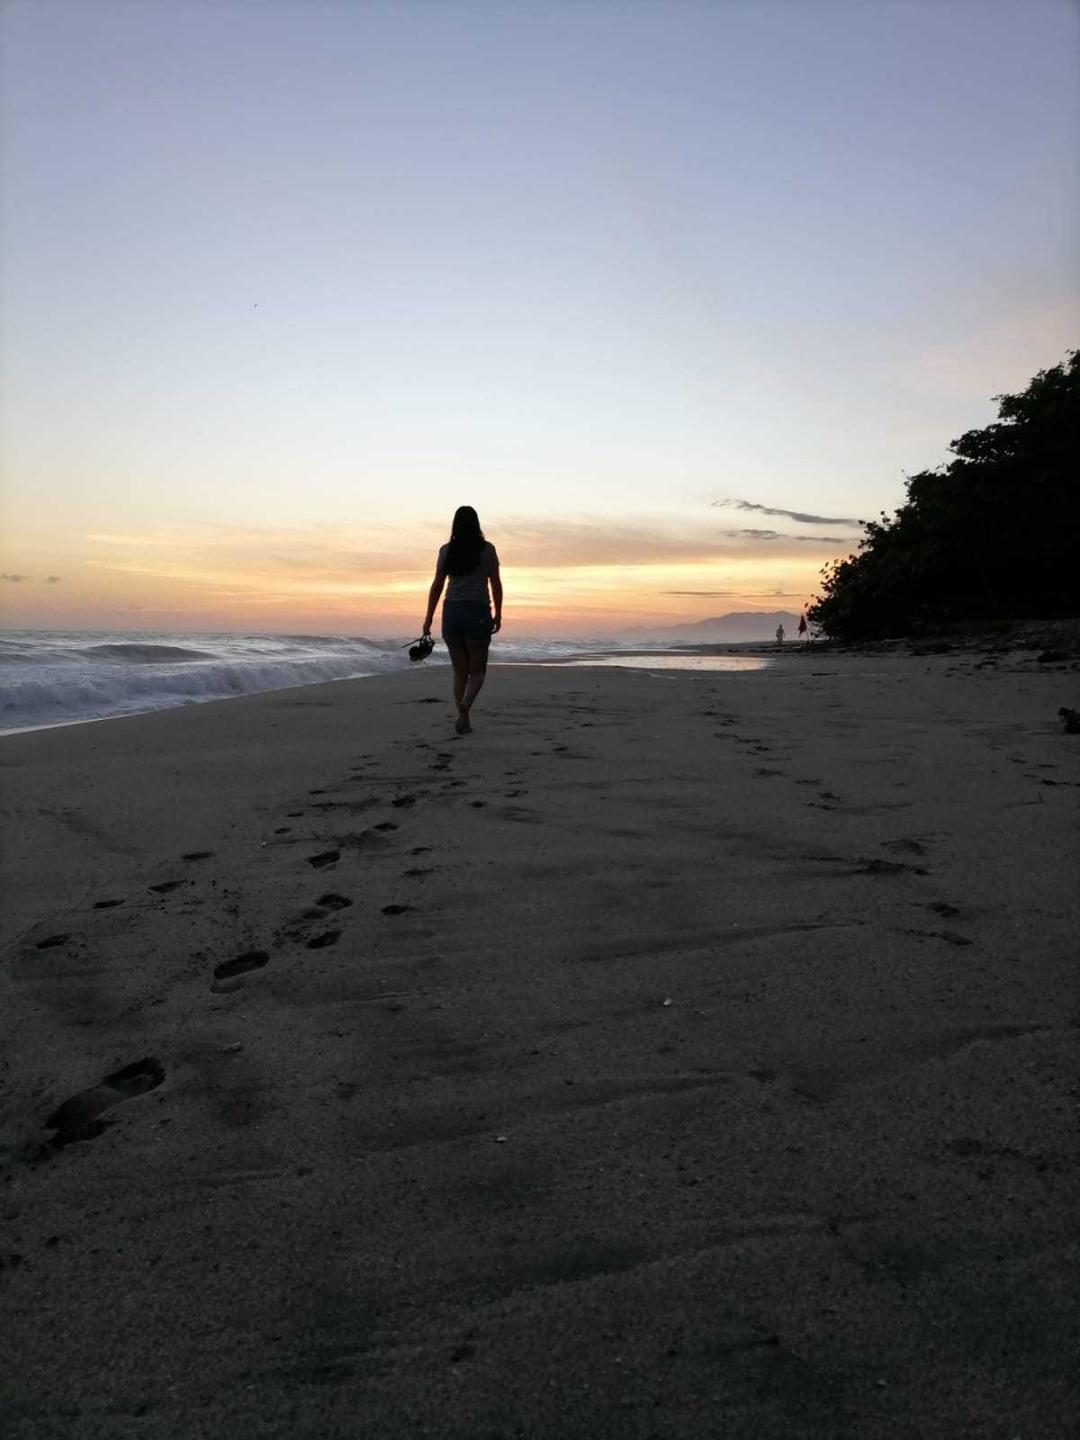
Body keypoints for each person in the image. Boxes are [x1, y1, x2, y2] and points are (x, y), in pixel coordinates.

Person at [422, 506, 502, 734]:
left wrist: (428, 618)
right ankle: (466, 704)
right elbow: (495, 584)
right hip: (477, 612)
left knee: (459, 672)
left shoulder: (446, 551)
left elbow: (437, 585)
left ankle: (463, 719)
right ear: (477, 525)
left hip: (452, 613)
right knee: (477, 671)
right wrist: (498, 613)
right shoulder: (487, 550)